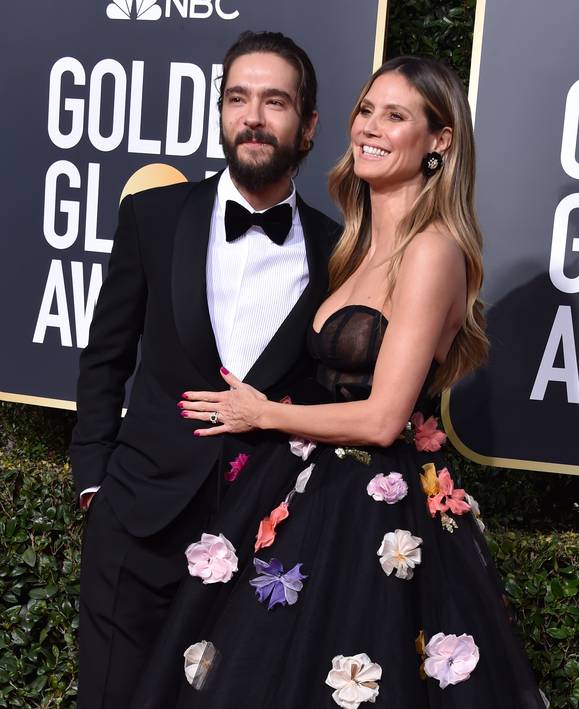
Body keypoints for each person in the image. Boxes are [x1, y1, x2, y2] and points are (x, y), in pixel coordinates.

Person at [131, 57, 547, 708]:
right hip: (306, 496)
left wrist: (263, 413)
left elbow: (384, 417)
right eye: (366, 110)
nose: (370, 128)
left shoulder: (433, 249)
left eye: (396, 115)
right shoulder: (353, 246)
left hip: (372, 515)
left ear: (439, 142)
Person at [69, 31, 340, 709]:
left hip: (263, 539)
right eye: (238, 98)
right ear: (220, 112)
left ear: (307, 127)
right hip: (137, 523)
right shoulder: (153, 217)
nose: (253, 116)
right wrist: (93, 483)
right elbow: (106, 355)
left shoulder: (340, 252)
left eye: (275, 102)